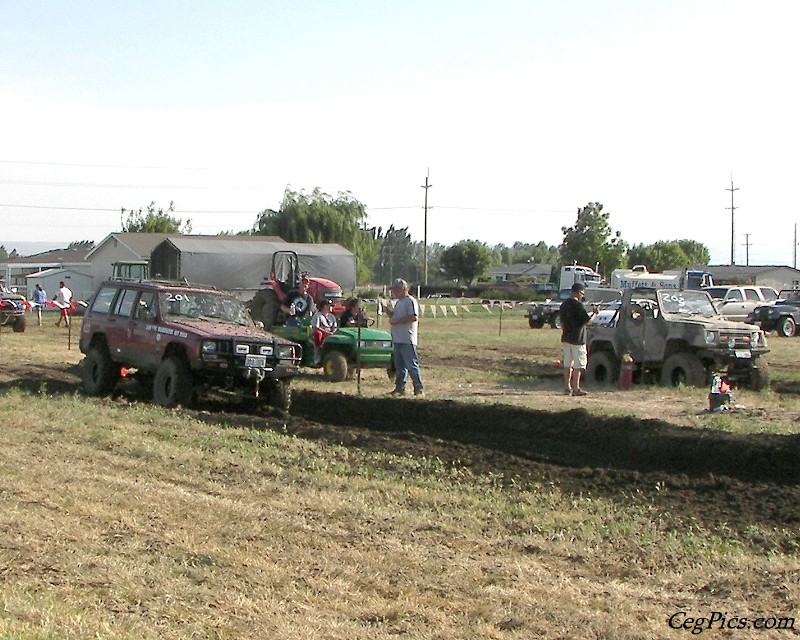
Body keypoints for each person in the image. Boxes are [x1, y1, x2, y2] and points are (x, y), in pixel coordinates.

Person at [383, 278, 423, 396]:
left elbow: (413, 317)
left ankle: (418, 388)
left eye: (395, 290)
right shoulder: (399, 302)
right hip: (398, 338)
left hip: (407, 338)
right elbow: (394, 317)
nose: (393, 292)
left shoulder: (410, 301)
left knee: (411, 364)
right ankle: (400, 387)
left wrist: (398, 321)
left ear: (402, 289)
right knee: (400, 366)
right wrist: (387, 311)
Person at [558, 282, 597, 396]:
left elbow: (561, 322)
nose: (582, 296)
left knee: (567, 363)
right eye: (582, 293)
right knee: (578, 365)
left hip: (566, 337)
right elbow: (587, 321)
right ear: (579, 292)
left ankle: (567, 387)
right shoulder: (578, 305)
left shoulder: (564, 304)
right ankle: (576, 388)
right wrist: (595, 314)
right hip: (578, 339)